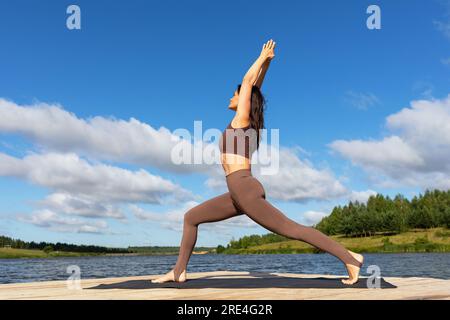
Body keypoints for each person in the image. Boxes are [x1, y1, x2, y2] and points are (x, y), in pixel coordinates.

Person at [152, 39, 364, 285]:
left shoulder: (241, 122)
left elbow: (249, 84)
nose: (232, 97)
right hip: (237, 193)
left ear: (242, 99)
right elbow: (253, 88)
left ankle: (349, 258)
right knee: (191, 217)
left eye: (236, 94)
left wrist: (262, 58)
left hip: (244, 189)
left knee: (292, 229)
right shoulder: (246, 124)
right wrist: (267, 66)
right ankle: (179, 271)